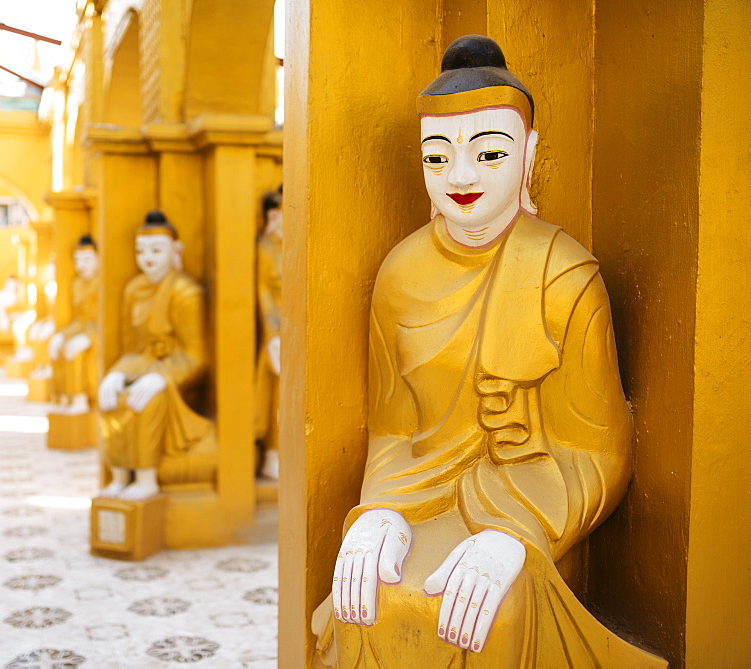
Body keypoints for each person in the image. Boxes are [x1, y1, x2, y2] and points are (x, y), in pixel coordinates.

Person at [316, 35, 665, 667]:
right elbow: (396, 431)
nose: (462, 177)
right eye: (437, 156)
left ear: (528, 155)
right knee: (365, 596)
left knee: (483, 612)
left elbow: (601, 451)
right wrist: (378, 511)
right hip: (422, 496)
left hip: (528, 502)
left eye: (490, 152)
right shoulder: (399, 275)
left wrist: (513, 535)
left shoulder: (564, 274)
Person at [97, 211, 210, 501]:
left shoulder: (186, 292)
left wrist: (162, 377)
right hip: (143, 364)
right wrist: (118, 373)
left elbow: (196, 357)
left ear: (176, 251)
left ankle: (146, 478)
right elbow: (132, 349)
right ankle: (120, 474)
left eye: (156, 250)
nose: (147, 258)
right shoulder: (134, 289)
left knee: (148, 399)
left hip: (175, 371)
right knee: (111, 397)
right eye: (141, 251)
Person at [49, 236, 99, 413]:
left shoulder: (102, 283)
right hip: (82, 328)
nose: (81, 265)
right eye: (77, 260)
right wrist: (61, 334)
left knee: (77, 350)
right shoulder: (76, 283)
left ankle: (81, 398)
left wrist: (89, 338)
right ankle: (64, 394)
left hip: (99, 334)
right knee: (59, 345)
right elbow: (78, 320)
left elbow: (104, 321)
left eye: (87, 259)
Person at [255, 188, 282, 480]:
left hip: (303, 326)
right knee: (277, 395)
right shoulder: (266, 247)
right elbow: (263, 292)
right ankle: (272, 453)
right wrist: (272, 335)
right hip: (277, 329)